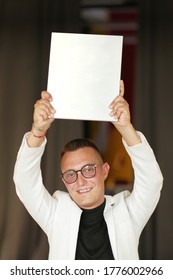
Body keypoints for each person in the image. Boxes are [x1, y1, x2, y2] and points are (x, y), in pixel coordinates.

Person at [13, 81, 163, 260]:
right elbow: (24, 182)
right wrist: (38, 130)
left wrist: (125, 128)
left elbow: (152, 180)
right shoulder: (56, 213)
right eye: (70, 174)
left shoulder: (128, 212)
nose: (80, 181)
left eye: (88, 169)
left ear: (105, 171)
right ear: (64, 180)